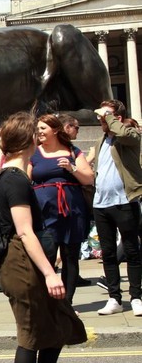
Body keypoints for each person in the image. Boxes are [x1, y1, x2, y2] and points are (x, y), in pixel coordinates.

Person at [0, 112, 86, 363]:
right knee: (31, 335)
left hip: (23, 261)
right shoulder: (15, 180)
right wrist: (49, 274)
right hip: (20, 264)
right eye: (36, 134)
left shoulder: (11, 176)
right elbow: (24, 231)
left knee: (56, 328)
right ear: (29, 141)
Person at [28, 114, 94, 306]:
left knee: (70, 256)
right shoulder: (34, 153)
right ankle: (48, 302)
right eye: (38, 128)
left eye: (43, 128)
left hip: (71, 210)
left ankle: (67, 303)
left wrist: (72, 168)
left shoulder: (72, 151)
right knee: (47, 254)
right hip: (44, 212)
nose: (39, 132)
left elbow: (88, 178)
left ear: (55, 130)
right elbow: (25, 178)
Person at [91, 100, 142, 316]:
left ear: (117, 118)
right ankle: (114, 298)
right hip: (101, 204)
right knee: (109, 253)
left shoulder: (130, 135)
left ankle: (137, 297)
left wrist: (109, 117)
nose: (102, 119)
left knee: (131, 250)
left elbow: (126, 135)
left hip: (124, 201)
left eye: (107, 116)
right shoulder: (101, 139)